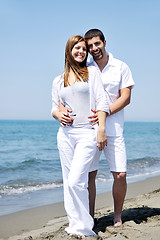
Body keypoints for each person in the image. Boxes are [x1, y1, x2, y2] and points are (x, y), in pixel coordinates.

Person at [51, 35, 109, 237]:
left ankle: (86, 227)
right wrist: (58, 114)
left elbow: (102, 102)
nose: (81, 52)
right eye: (77, 48)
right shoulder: (59, 80)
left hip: (87, 134)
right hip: (65, 135)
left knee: (77, 180)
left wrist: (101, 129)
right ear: (69, 50)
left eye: (84, 49)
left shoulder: (92, 73)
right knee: (69, 182)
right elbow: (54, 108)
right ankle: (75, 225)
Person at [84, 29, 135, 226]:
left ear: (104, 42)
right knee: (90, 175)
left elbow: (126, 98)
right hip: (89, 130)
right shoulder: (85, 66)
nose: (94, 49)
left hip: (114, 130)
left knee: (120, 174)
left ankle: (117, 216)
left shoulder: (121, 66)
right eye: (90, 46)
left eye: (97, 44)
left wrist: (102, 114)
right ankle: (89, 217)